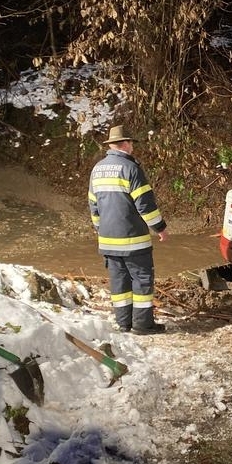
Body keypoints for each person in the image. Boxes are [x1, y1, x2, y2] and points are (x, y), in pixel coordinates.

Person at [88, 124, 168, 335]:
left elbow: (93, 205)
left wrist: (100, 229)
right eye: (131, 142)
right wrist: (159, 227)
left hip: (107, 241)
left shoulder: (97, 169)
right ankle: (142, 325)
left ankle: (124, 323)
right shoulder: (131, 168)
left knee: (119, 283)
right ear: (126, 144)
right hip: (133, 241)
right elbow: (145, 204)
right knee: (142, 281)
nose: (132, 146)